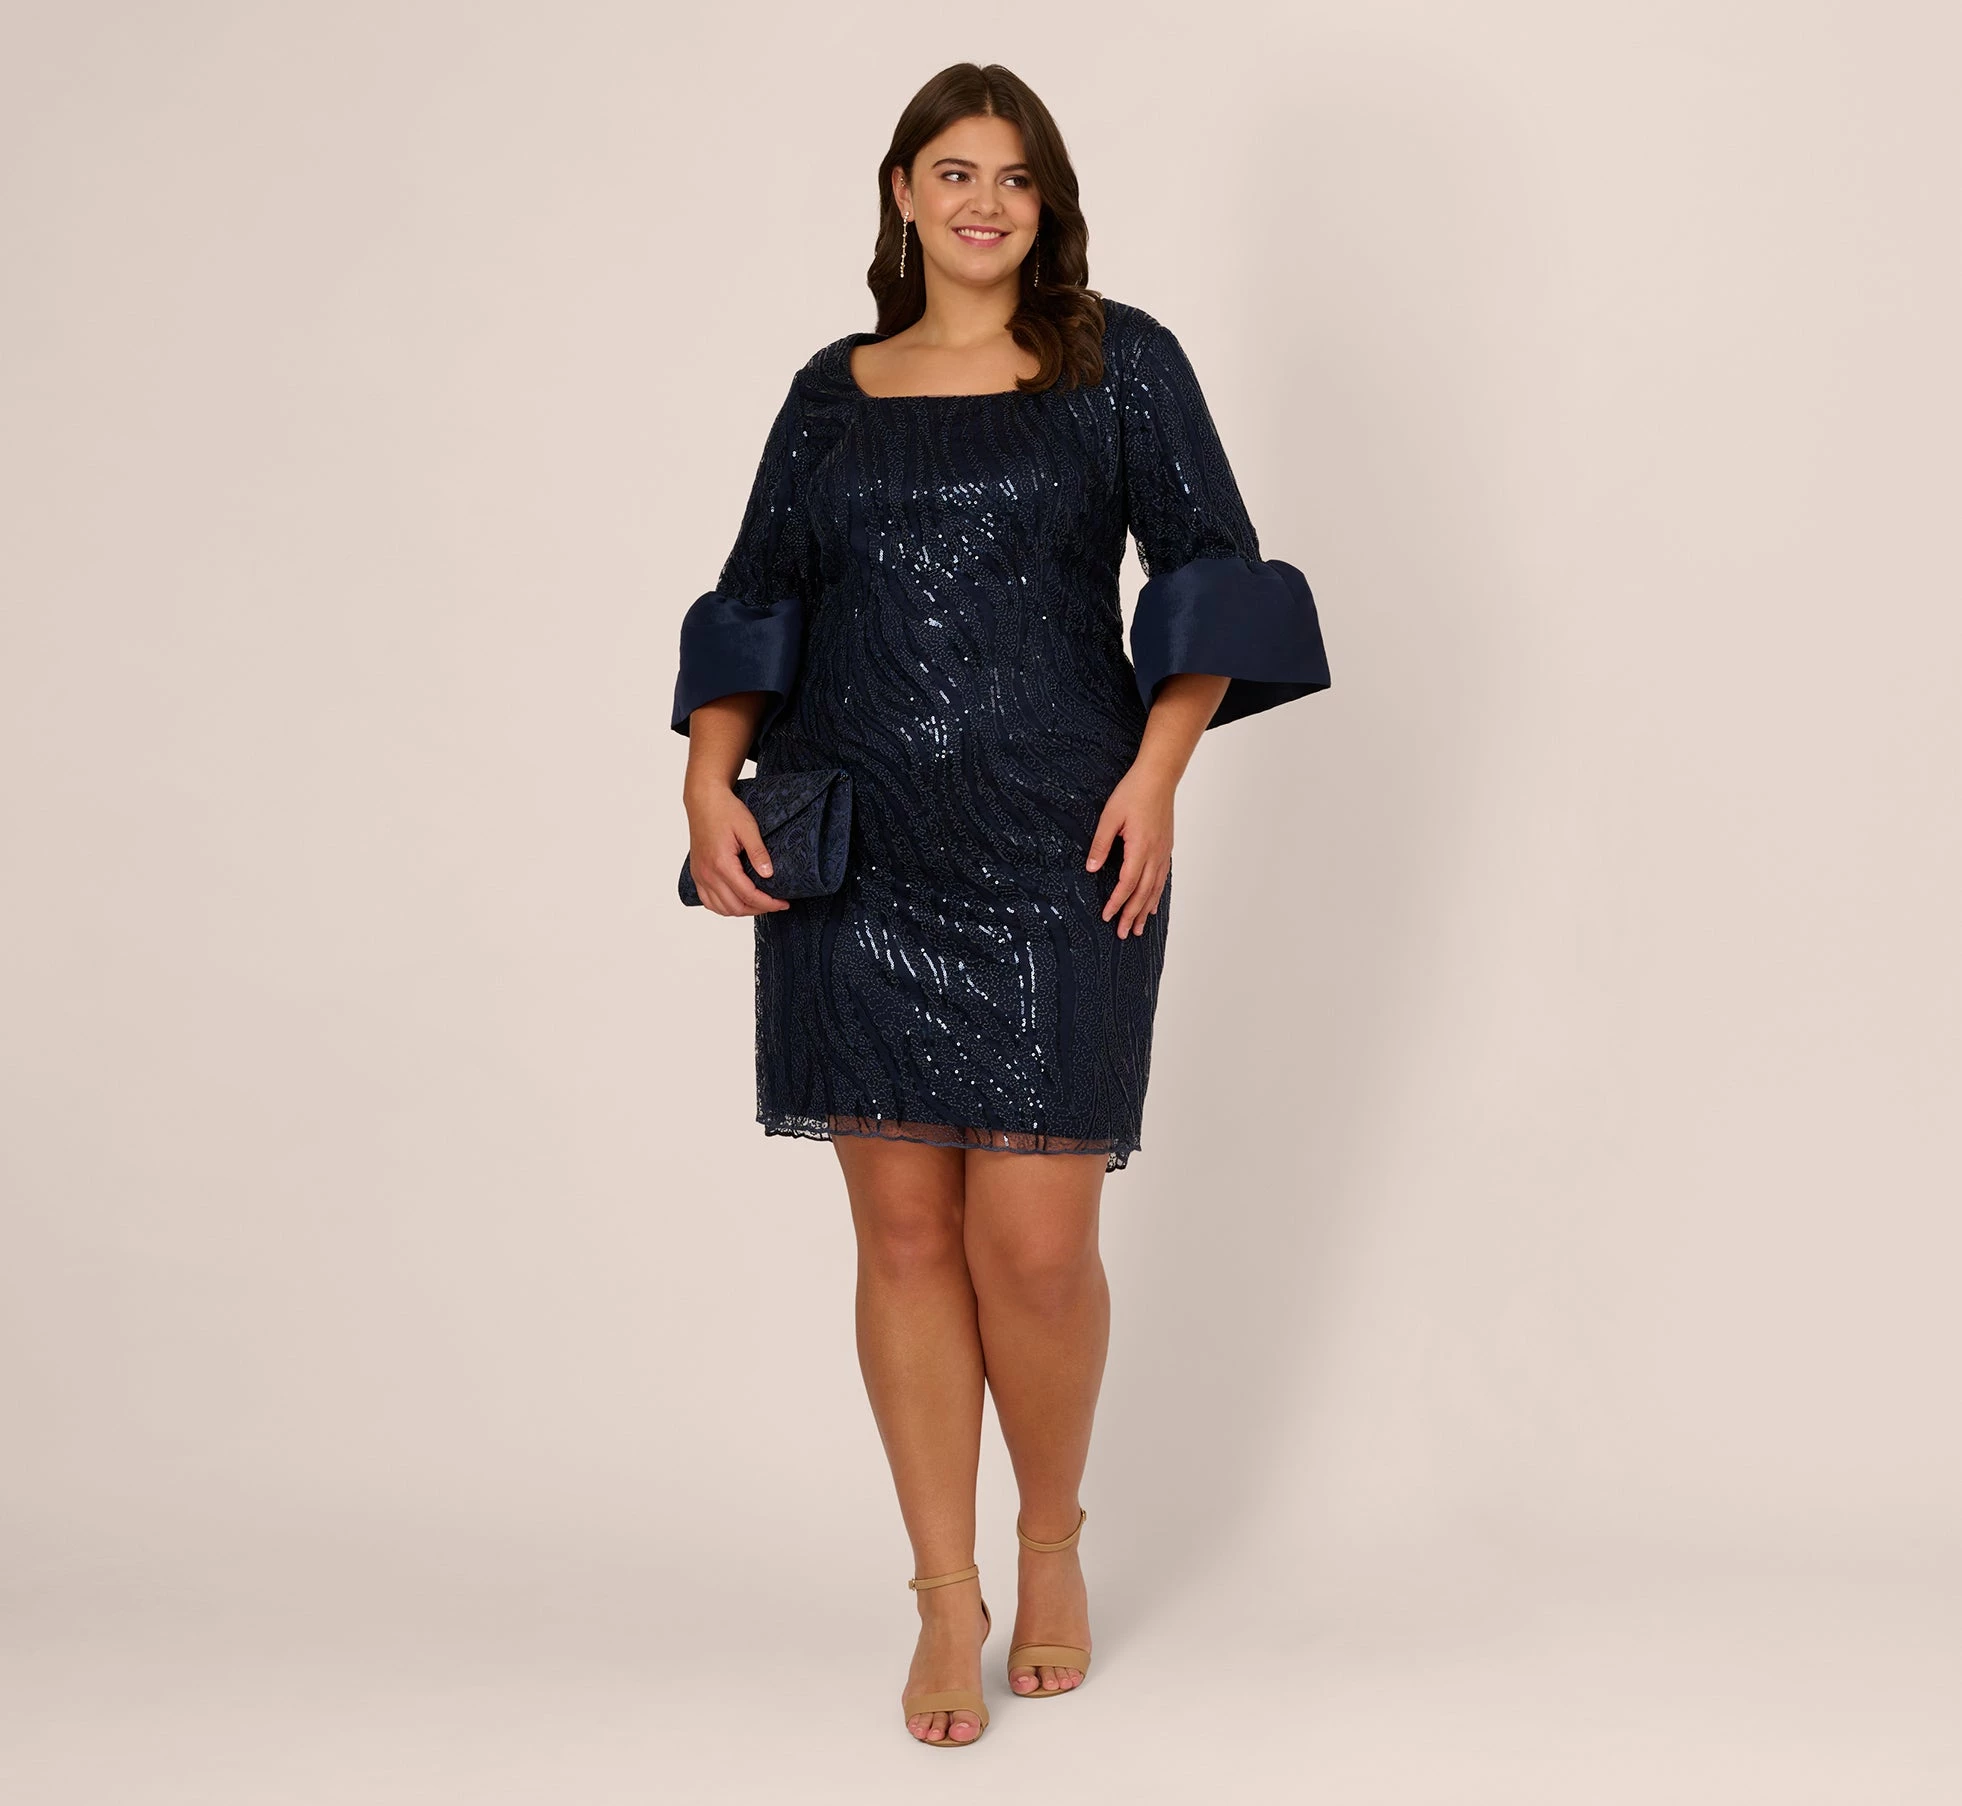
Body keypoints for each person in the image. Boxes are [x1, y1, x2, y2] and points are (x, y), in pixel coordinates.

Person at [671, 63, 1329, 1747]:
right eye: (953, 171)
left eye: (1015, 177)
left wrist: (1157, 771)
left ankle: (1049, 1541)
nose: (984, 202)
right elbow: (757, 598)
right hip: (860, 853)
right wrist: (705, 781)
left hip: (1057, 843)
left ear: (1048, 203)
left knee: (1032, 1250)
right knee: (902, 1238)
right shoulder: (828, 394)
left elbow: (1210, 572)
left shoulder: (1119, 364)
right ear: (900, 191)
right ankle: (943, 1592)